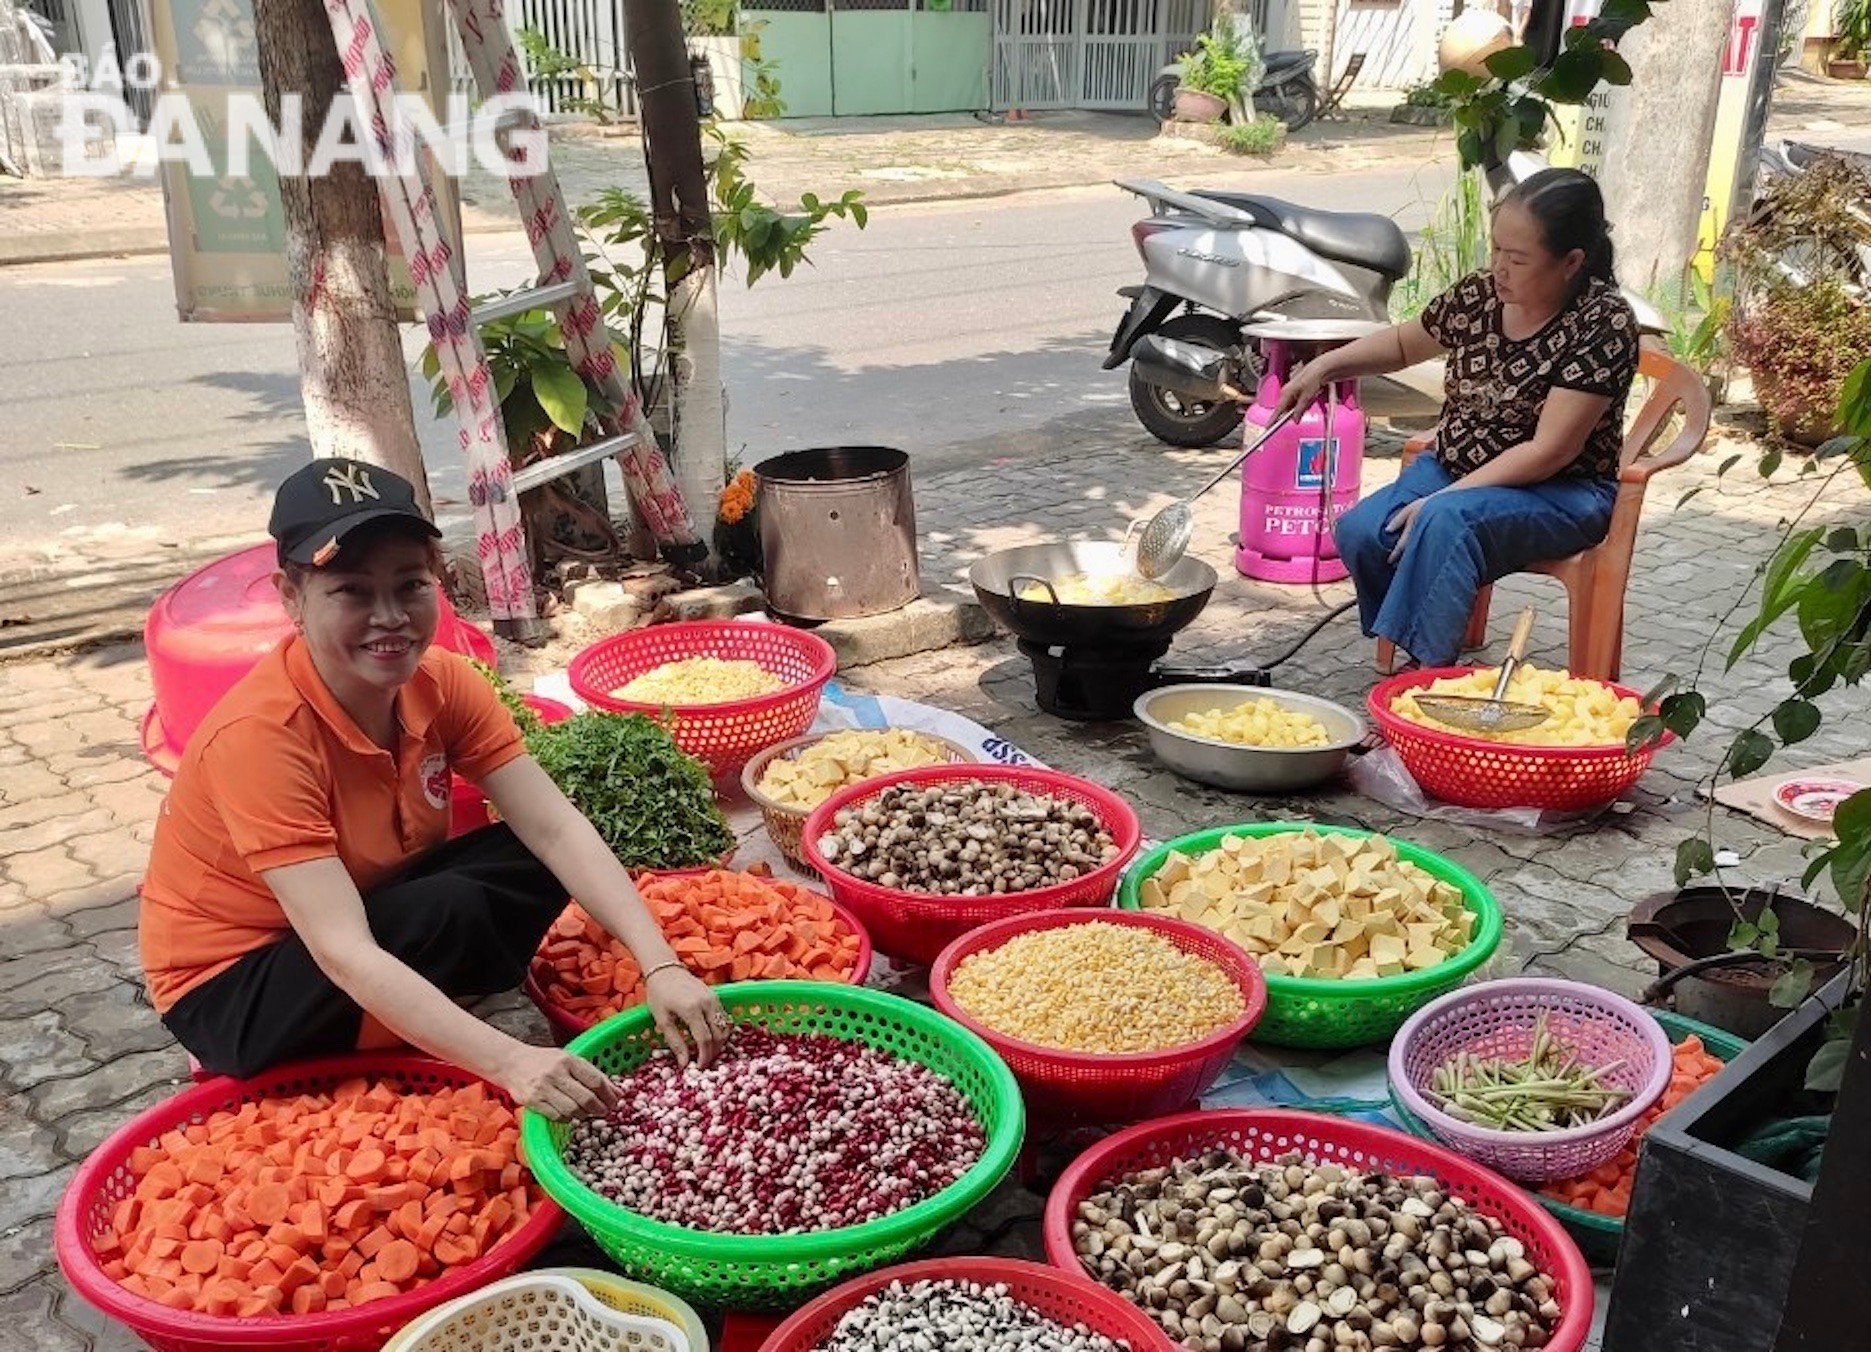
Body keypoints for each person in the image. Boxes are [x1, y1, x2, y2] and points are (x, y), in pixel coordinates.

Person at [139, 458, 728, 1121]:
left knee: (525, 858)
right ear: (289, 596)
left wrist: (660, 965)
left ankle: (412, 1016)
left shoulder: (444, 682)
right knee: (441, 910)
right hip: (234, 989)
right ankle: (369, 1054)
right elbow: (341, 947)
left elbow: (555, 826)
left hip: (354, 904)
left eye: (409, 585)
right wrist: (514, 1063)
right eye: (352, 592)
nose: (389, 618)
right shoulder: (262, 736)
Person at [1273, 168, 1639, 670]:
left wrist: (1440, 499)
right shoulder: (1480, 296)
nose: (1499, 269)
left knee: (1442, 522)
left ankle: (1428, 679)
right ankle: (1416, 651)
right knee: (1361, 530)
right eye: (1495, 251)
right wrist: (1323, 366)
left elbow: (1549, 451)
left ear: (1571, 262)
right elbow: (1404, 343)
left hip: (1561, 490)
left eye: (1517, 259)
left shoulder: (1602, 322)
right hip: (1454, 467)